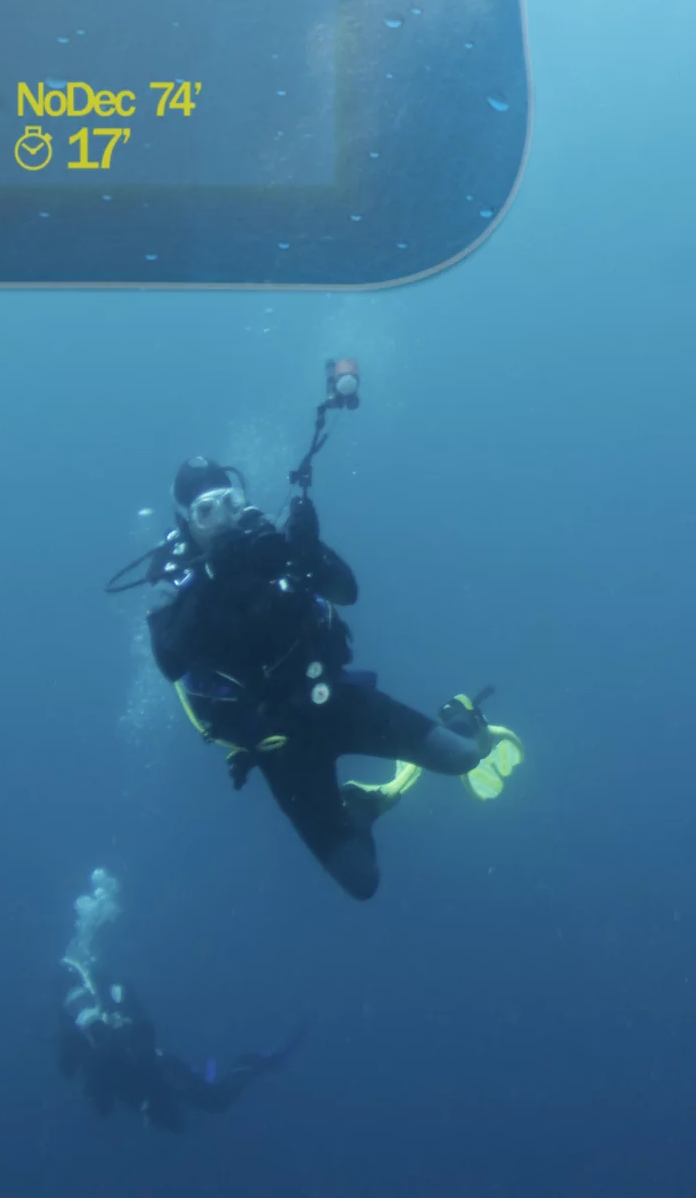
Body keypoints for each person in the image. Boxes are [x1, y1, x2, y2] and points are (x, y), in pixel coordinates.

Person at [139, 455, 519, 899]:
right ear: (185, 520)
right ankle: (362, 807)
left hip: (332, 699)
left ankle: (463, 715)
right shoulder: (171, 574)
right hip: (278, 745)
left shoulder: (268, 534)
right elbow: (170, 662)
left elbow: (347, 591)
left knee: (463, 758)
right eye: (206, 510)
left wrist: (307, 548)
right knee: (362, 881)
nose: (223, 518)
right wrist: (215, 577)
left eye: (230, 501)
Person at [55, 869, 296, 1133]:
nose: (79, 1010)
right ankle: (233, 1069)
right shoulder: (82, 1041)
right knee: (190, 1116)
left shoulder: (114, 1000)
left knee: (216, 1101)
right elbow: (99, 1102)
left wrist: (118, 1043)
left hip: (157, 1074)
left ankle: (252, 1063)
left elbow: (143, 1034)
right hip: (144, 1087)